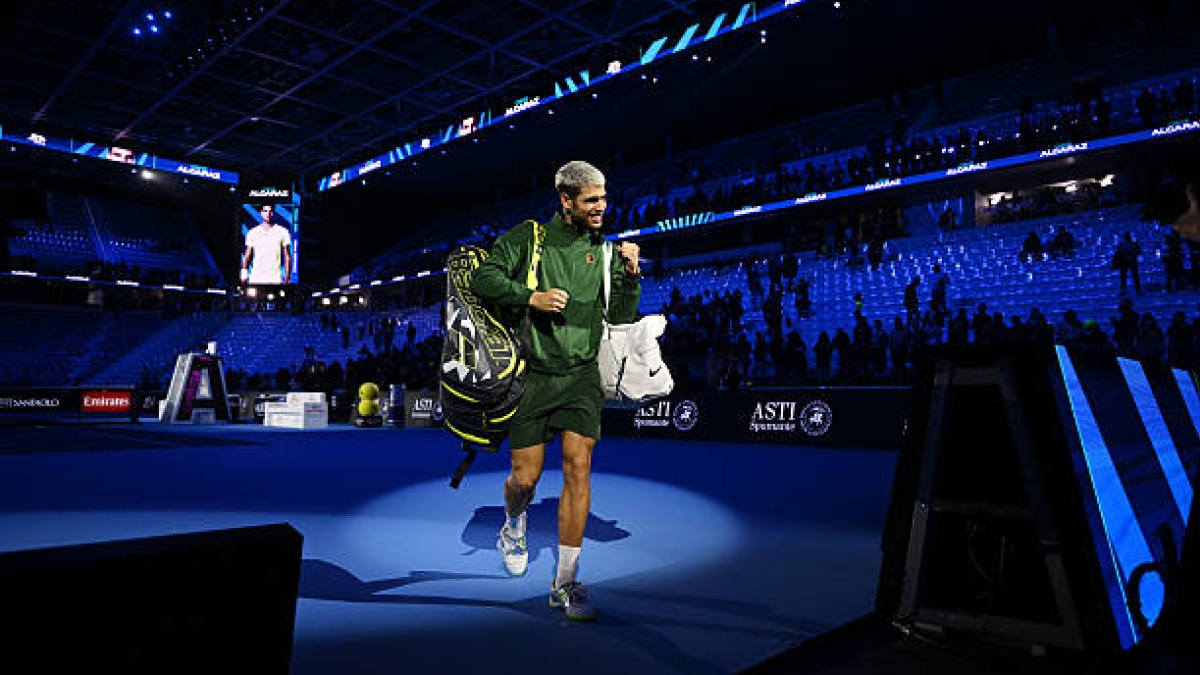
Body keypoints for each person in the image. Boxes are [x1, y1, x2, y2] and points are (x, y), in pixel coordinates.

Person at [471, 161, 642, 622]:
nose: (602, 207)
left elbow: (621, 316)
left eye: (604, 198)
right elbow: (483, 278)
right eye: (591, 200)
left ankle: (565, 582)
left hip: (582, 377)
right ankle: (513, 524)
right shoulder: (530, 238)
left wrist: (630, 275)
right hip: (534, 377)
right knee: (524, 480)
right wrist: (532, 297)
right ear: (566, 201)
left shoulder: (605, 251)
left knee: (578, 468)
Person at [241, 204, 292, 285]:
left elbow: (287, 256)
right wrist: (243, 277)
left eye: (270, 211)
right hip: (256, 278)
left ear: (273, 213)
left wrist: (287, 279)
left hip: (275, 279)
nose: (268, 213)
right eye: (265, 211)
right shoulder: (252, 232)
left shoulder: (283, 231)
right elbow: (247, 256)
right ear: (261, 213)